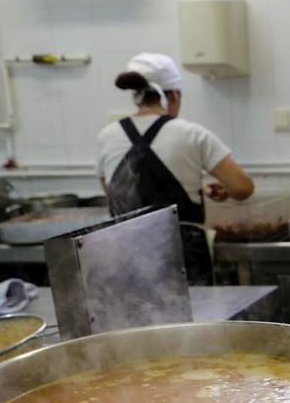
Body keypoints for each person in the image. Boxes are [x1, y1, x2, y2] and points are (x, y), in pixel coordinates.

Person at [96, 52, 254, 283]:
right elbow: (243, 188)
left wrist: (197, 187)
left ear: (136, 96)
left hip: (128, 258)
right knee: (192, 308)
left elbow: (113, 191)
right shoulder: (191, 133)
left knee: (136, 307)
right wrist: (211, 190)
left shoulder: (107, 135)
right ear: (174, 95)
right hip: (182, 261)